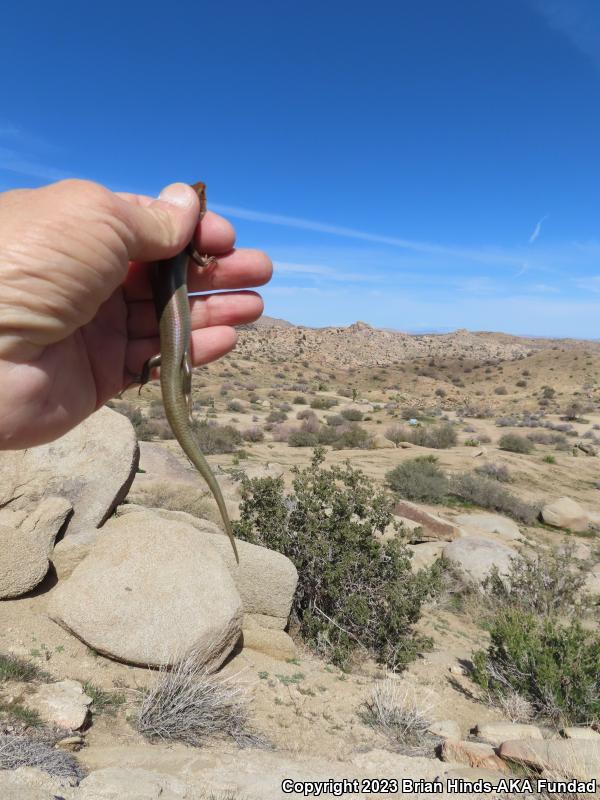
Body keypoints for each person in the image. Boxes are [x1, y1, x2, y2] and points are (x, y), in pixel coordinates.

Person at [0, 179, 271, 449]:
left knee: (180, 364)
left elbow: (196, 260)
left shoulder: (176, 245)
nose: (201, 200)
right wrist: (205, 260)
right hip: (170, 349)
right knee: (184, 366)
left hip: (167, 348)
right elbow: (199, 260)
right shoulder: (184, 242)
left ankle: (161, 386)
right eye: (199, 198)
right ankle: (178, 395)